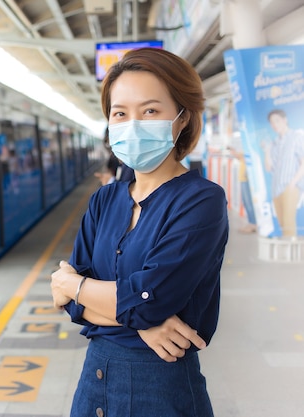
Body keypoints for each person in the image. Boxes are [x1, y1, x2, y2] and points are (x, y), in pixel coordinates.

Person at [50, 48, 229, 417]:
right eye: (120, 113)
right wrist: (143, 321)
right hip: (92, 385)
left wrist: (72, 285)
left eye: (150, 111)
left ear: (181, 118)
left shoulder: (202, 201)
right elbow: (72, 307)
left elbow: (146, 301)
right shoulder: (104, 199)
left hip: (161, 389)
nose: (132, 124)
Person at [263, 109, 304, 238]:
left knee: (288, 223)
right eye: (272, 122)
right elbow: (269, 168)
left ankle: (293, 256)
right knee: (283, 225)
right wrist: (267, 151)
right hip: (276, 189)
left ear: (285, 120)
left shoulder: (296, 137)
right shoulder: (274, 144)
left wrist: (293, 182)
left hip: (290, 187)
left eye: (277, 121)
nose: (275, 125)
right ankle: (290, 252)